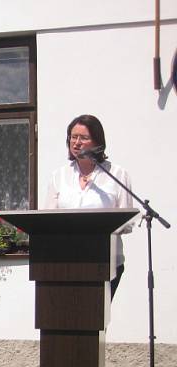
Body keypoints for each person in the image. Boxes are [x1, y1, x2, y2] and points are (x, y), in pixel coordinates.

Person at [43, 114, 134, 299]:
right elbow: (47, 219)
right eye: (73, 137)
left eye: (83, 138)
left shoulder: (117, 174)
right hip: (65, 263)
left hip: (105, 262)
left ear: (97, 142)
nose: (76, 143)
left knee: (96, 322)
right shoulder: (59, 176)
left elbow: (127, 222)